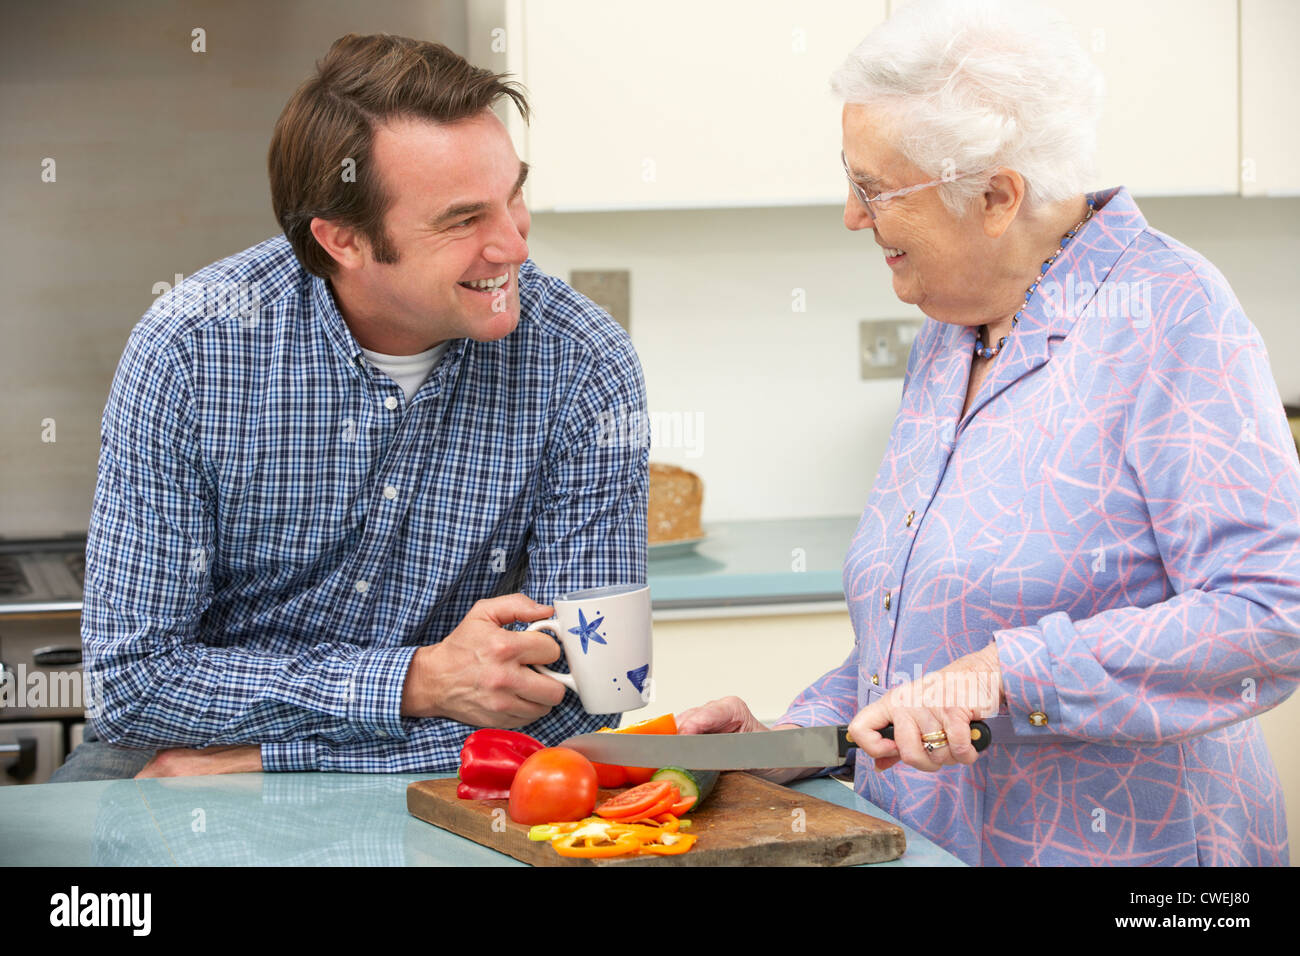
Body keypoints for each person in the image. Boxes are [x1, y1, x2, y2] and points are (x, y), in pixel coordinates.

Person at [679, 0, 1300, 865]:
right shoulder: (952, 326)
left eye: (875, 189)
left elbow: (1272, 610)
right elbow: (922, 635)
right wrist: (790, 735)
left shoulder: (1169, 313)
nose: (853, 217)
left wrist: (1012, 674)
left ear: (997, 196)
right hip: (937, 843)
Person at [53, 33, 648, 781]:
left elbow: (598, 694)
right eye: (464, 220)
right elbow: (132, 688)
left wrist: (268, 761)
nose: (513, 246)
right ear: (342, 240)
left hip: (416, 777)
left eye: (514, 195)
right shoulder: (192, 350)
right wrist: (417, 681)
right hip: (161, 774)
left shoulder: (584, 362)